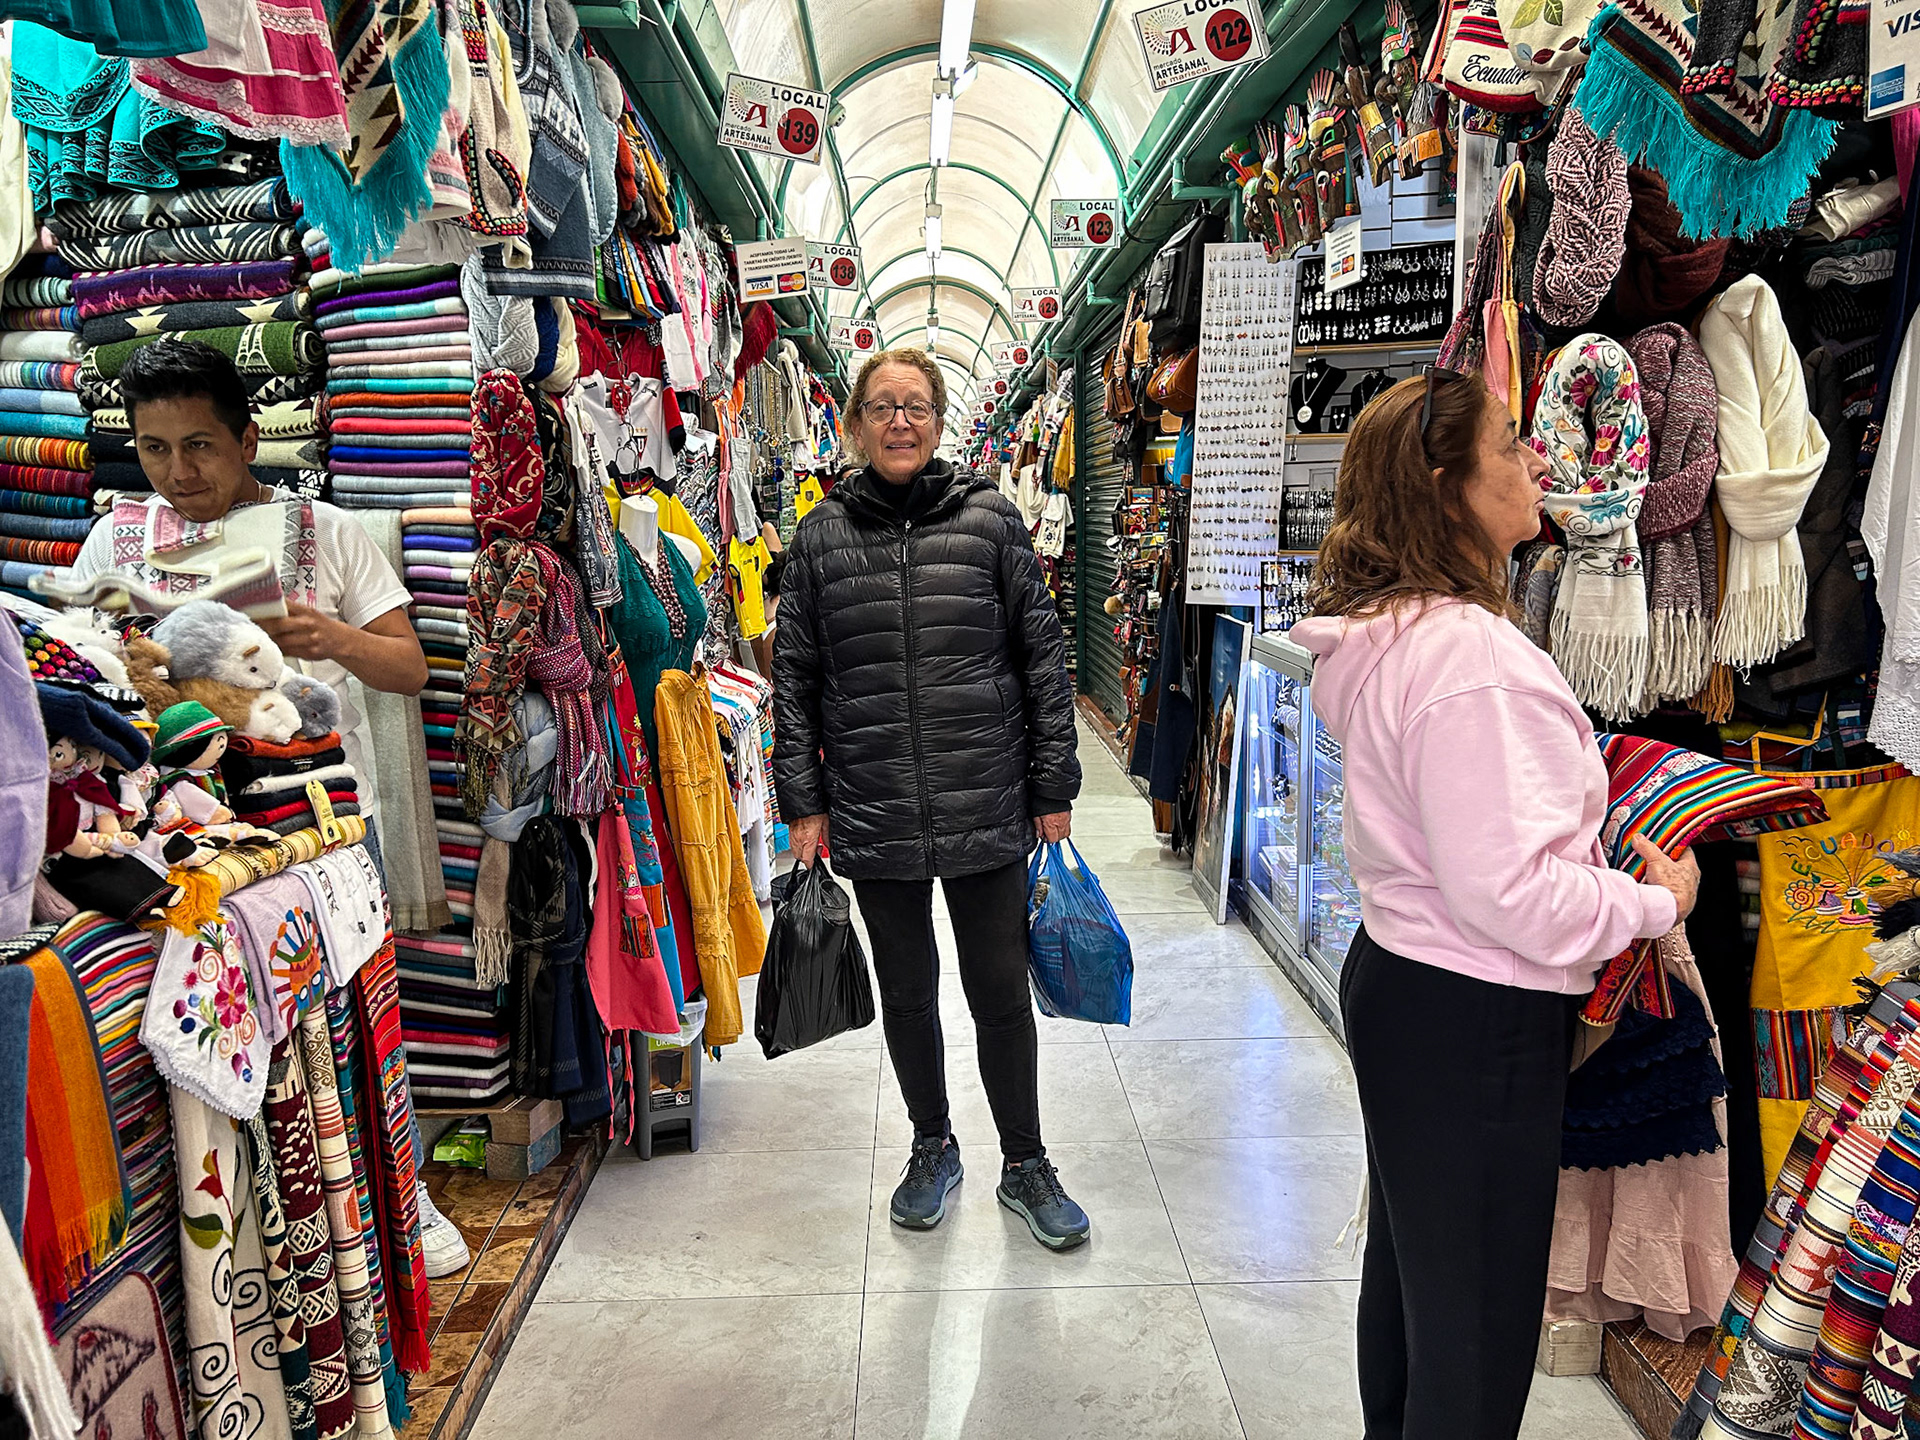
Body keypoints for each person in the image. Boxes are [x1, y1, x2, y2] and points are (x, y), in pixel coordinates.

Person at [1289, 368, 1700, 1440]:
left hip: (1412, 983)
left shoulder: (1397, 634)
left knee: (1421, 1283)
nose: (1535, 462)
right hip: (1475, 1009)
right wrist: (1650, 904)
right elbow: (1507, 889)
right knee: (1472, 1324)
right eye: (1512, 445)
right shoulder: (1470, 659)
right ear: (1448, 489)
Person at [59, 341, 468, 1277]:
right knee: (223, 1028)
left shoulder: (325, 533)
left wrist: (329, 636)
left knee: (355, 1013)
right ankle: (259, 1223)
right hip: (187, 831)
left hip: (317, 823)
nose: (178, 471)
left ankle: (402, 1196)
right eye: (155, 448)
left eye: (199, 445)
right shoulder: (116, 542)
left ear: (248, 440)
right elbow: (87, 670)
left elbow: (409, 668)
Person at [773, 348, 1088, 1250]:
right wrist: (804, 801)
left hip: (985, 797)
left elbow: (1043, 658)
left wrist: (1053, 783)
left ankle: (1025, 1161)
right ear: (854, 426)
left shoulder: (990, 521)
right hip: (874, 803)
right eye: (882, 407)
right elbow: (794, 680)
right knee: (908, 993)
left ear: (940, 423)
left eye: (915, 406)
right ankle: (931, 1145)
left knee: (999, 991)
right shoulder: (819, 539)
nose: (900, 422)